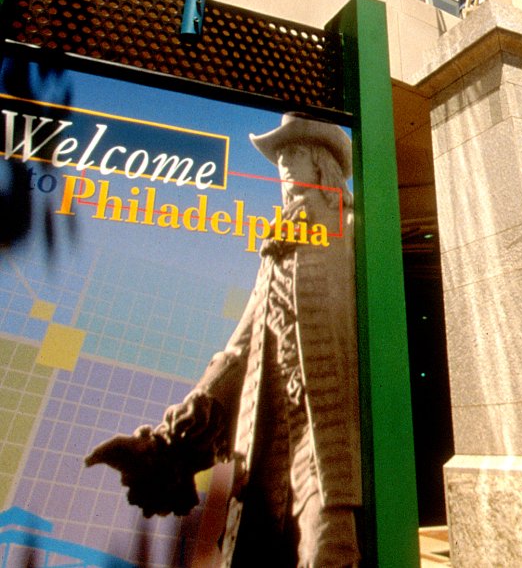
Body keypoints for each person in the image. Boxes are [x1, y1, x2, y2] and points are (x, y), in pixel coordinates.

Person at [86, 114, 362, 568]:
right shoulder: (279, 245)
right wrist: (171, 434)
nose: (283, 164)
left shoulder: (353, 232)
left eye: (293, 152)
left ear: (321, 161)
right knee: (256, 549)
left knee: (328, 549)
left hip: (328, 439)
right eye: (279, 156)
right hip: (267, 442)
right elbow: (242, 346)